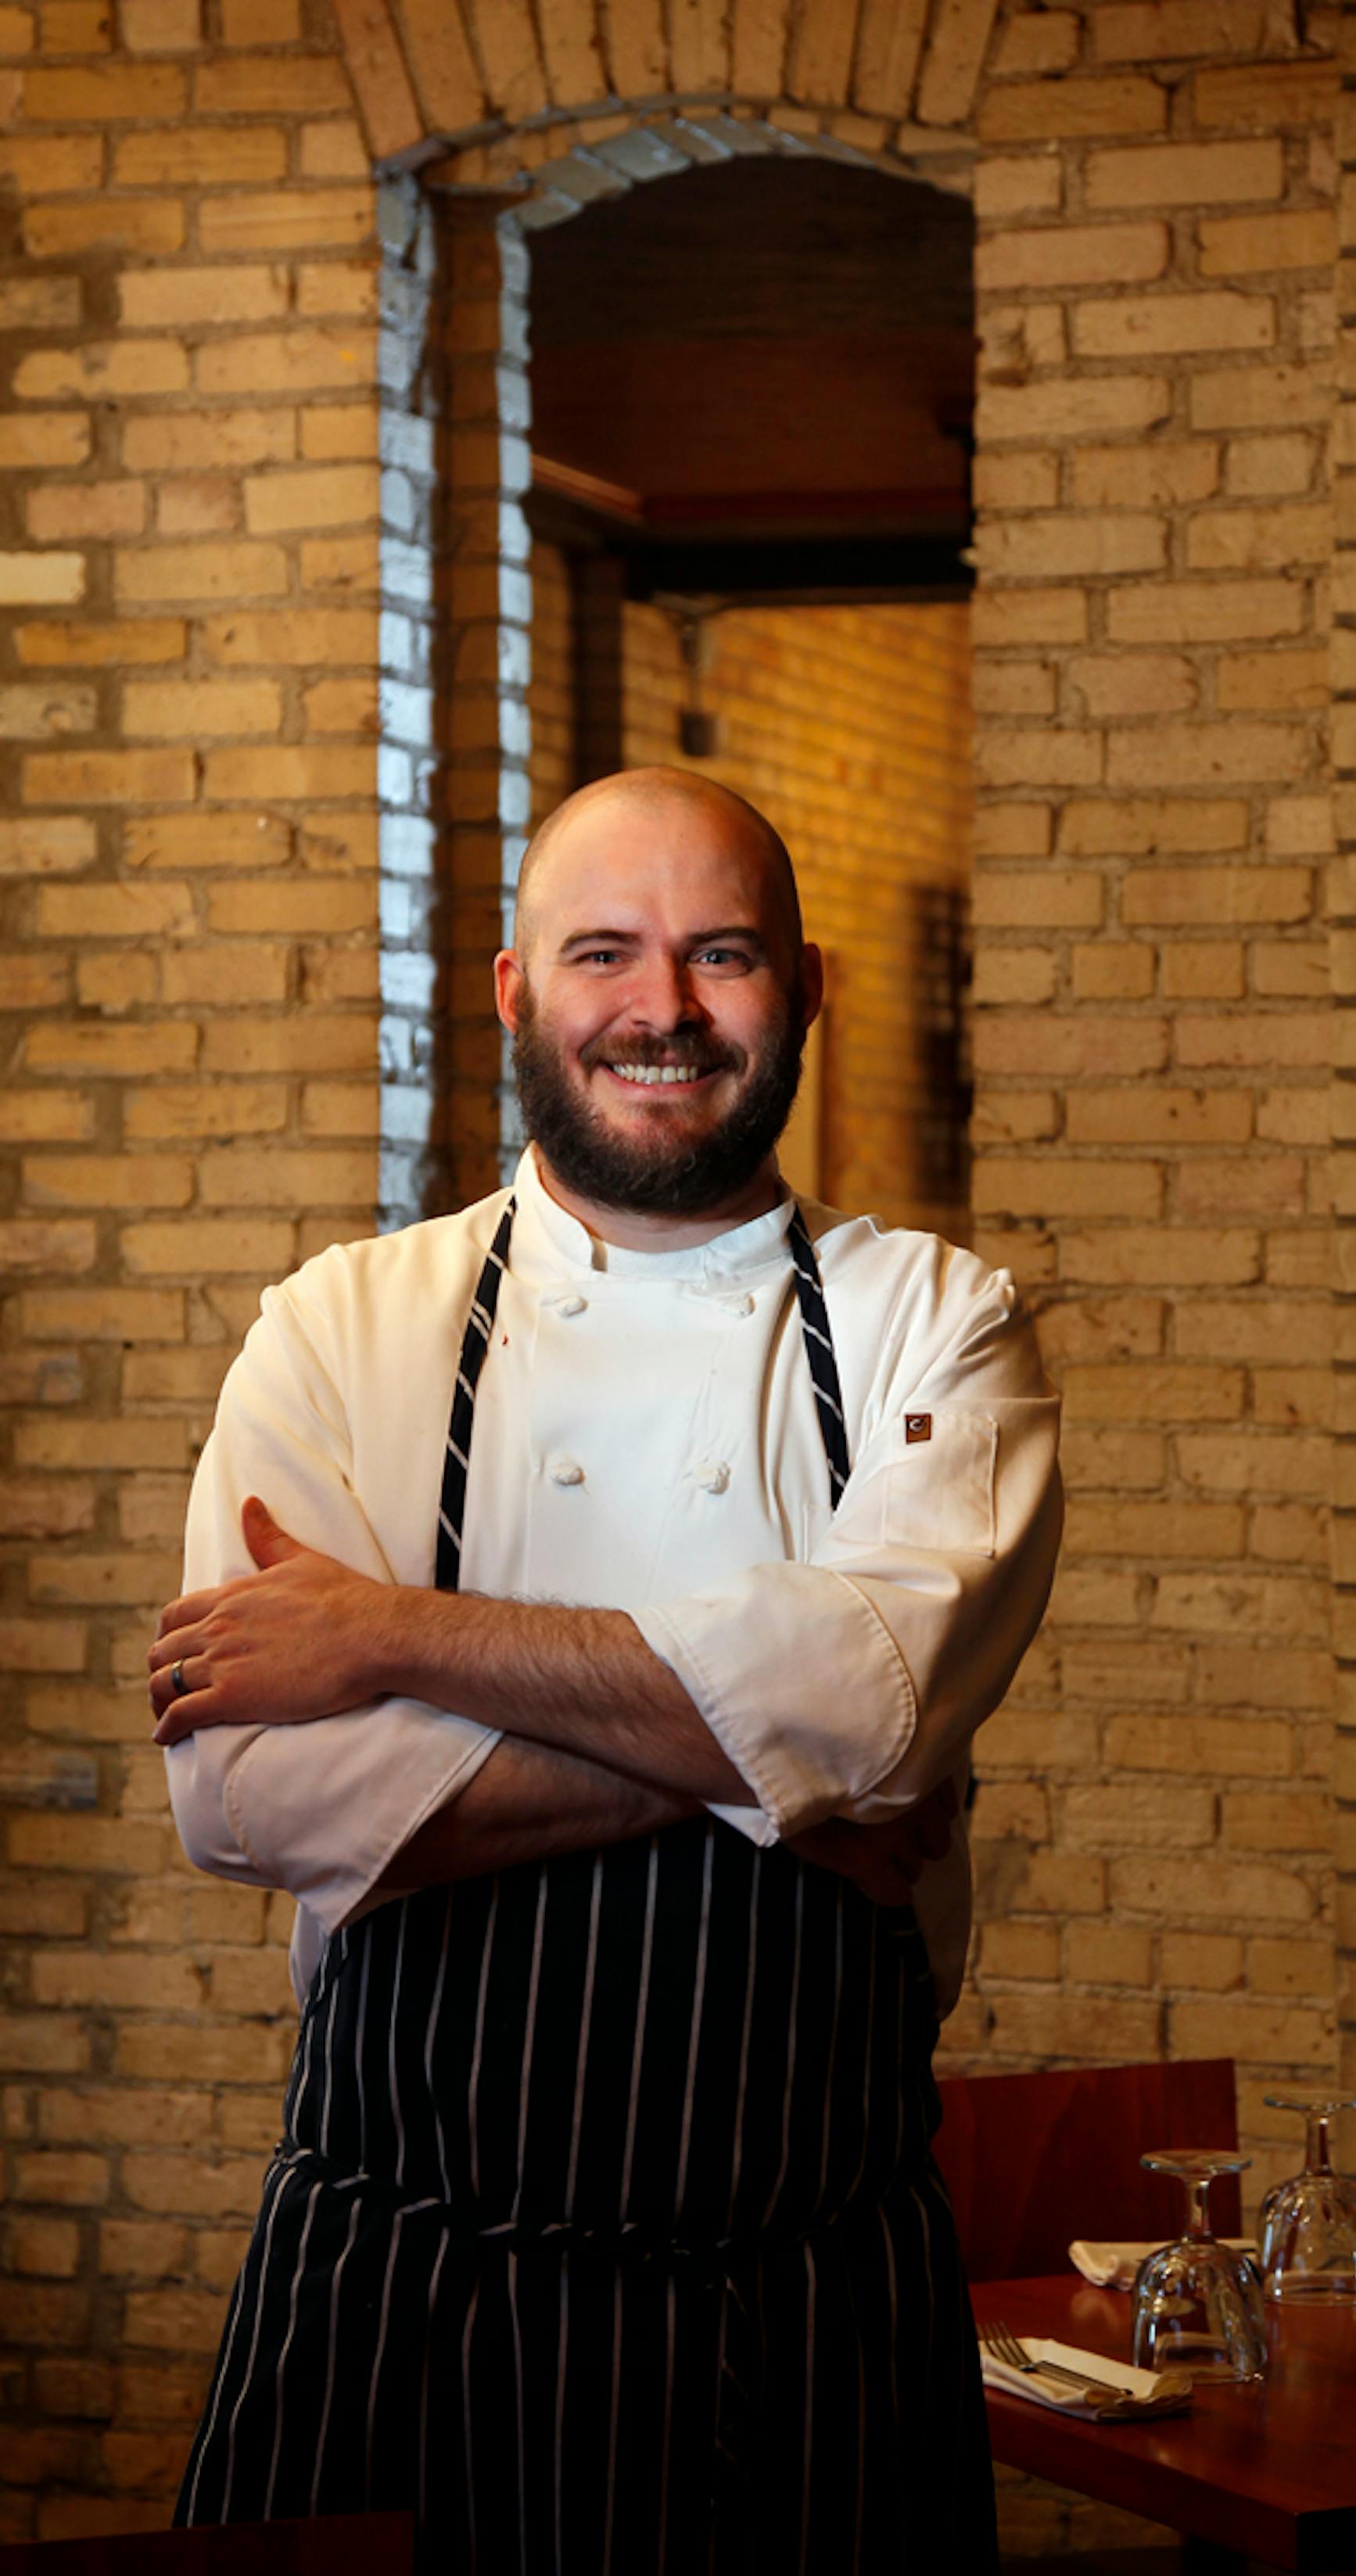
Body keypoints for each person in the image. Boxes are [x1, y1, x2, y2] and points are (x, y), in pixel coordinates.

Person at [151, 767, 1062, 2574]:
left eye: (721, 955)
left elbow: (872, 1703)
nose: (663, 1009)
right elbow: (250, 1791)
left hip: (808, 2317)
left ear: (803, 985)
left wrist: (395, 1637)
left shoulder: (937, 1321)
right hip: (402, 2288)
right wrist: (785, 1771)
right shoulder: (340, 1331)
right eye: (606, 955)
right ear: (512, 989)